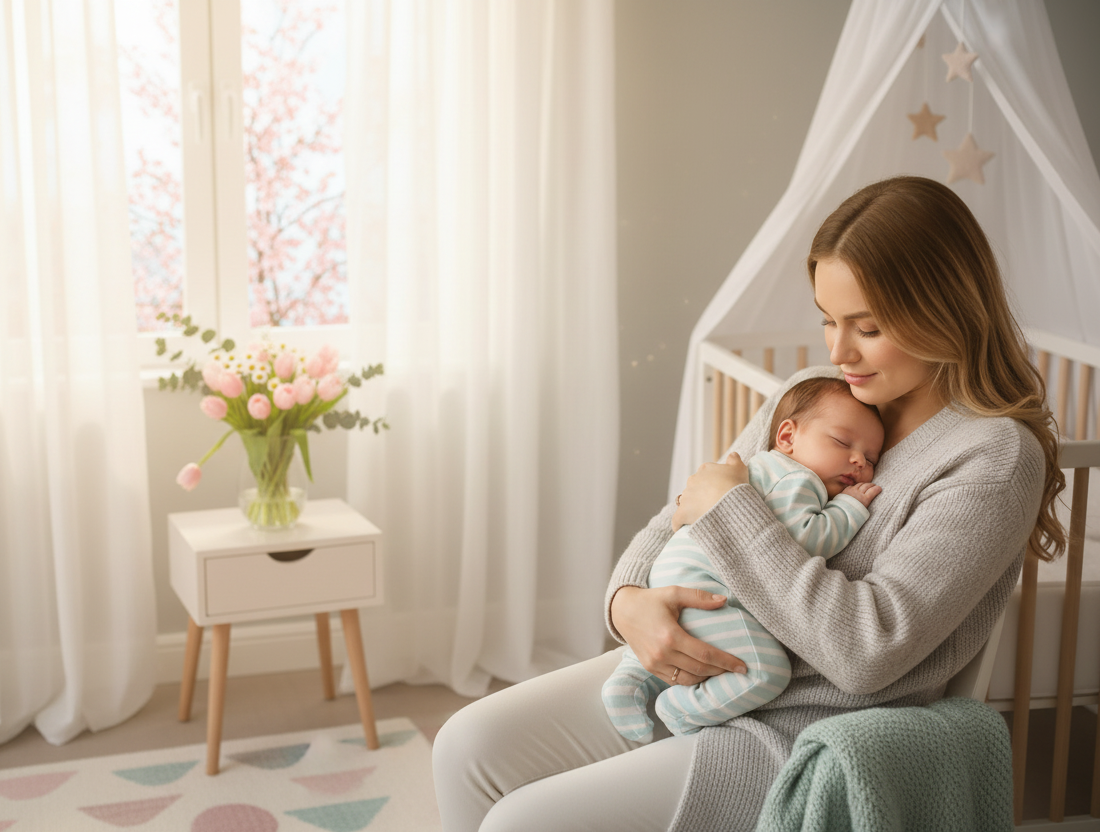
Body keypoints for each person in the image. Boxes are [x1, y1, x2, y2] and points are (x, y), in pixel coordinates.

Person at [431, 175, 1065, 832]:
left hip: (789, 727)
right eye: (828, 320)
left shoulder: (991, 457)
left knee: (522, 823)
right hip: (690, 667)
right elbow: (681, 515)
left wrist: (733, 512)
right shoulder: (817, 396)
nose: (839, 352)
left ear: (946, 311)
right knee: (464, 748)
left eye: (868, 328)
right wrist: (629, 604)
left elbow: (868, 652)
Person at [603, 377, 884, 742]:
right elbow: (805, 540)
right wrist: (848, 506)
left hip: (671, 574)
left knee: (683, 630)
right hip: (709, 586)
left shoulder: (758, 466)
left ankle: (628, 678)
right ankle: (680, 709)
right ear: (787, 437)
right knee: (766, 672)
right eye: (842, 442)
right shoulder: (799, 480)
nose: (858, 460)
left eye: (872, 458)